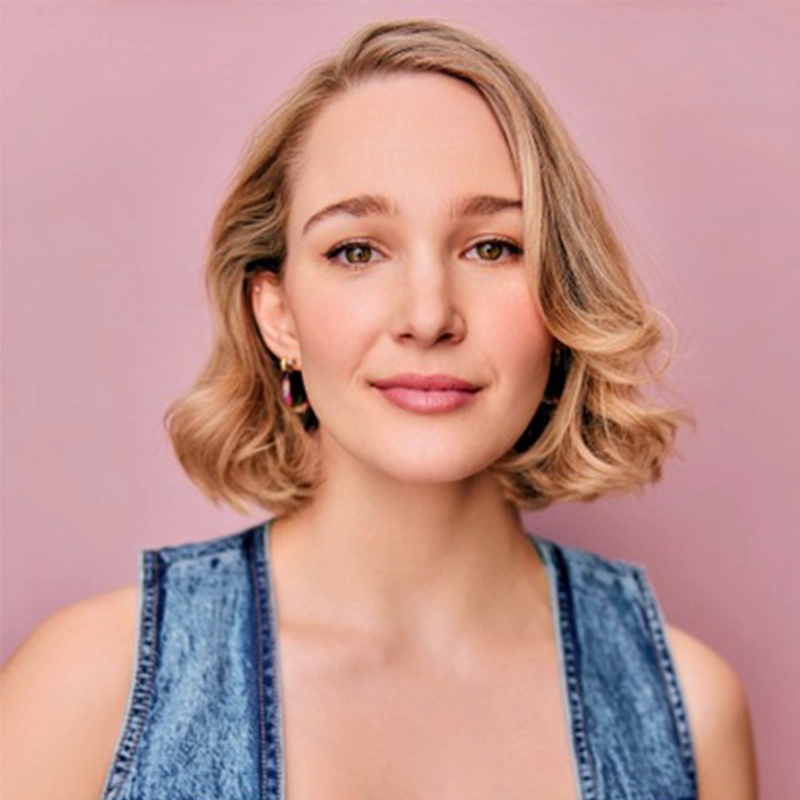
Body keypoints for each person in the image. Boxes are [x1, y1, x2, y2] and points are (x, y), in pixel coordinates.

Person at [1, 17, 758, 800]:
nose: (428, 315)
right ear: (277, 315)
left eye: (492, 247)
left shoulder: (689, 715)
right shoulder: (92, 688)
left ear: (561, 301)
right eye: (356, 250)